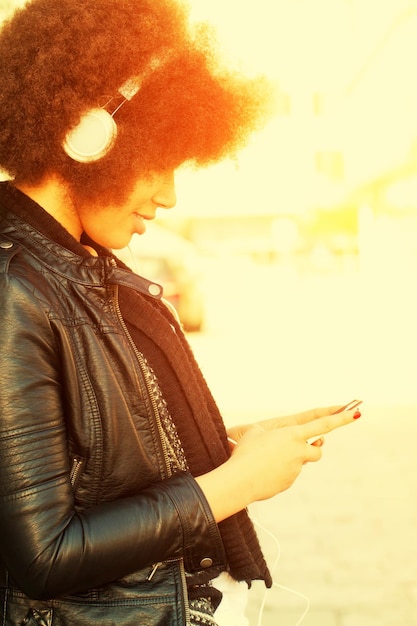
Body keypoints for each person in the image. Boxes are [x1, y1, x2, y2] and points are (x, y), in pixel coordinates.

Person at [0, 1, 362, 625]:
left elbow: (92, 464)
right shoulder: (15, 288)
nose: (169, 196)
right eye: (162, 162)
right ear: (92, 134)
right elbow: (46, 553)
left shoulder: (81, 268)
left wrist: (229, 449)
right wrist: (234, 485)